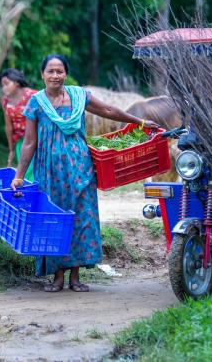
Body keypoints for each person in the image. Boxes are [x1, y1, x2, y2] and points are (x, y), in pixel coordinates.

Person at [11, 54, 158, 292]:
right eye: (50, 71)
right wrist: (19, 176)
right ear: (42, 75)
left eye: (59, 71)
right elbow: (29, 143)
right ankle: (57, 277)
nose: (55, 75)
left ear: (66, 74)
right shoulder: (36, 103)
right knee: (54, 219)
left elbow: (109, 110)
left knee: (81, 218)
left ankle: (75, 277)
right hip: (50, 173)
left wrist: (138, 121)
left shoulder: (80, 96)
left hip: (80, 168)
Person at [0, 68, 37, 181]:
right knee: (24, 171)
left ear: (16, 82)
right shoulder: (5, 100)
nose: (4, 88)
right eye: (2, 85)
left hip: (37, 139)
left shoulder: (33, 95)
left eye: (6, 83)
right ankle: (29, 194)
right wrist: (11, 149)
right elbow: (8, 126)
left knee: (35, 170)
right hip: (21, 142)